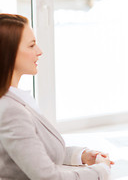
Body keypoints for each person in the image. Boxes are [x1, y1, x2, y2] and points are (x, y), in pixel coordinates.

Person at [0, 14, 113, 179]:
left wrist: (80, 155)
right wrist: (101, 171)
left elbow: (35, 152)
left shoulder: (15, 100)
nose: (39, 51)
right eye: (31, 45)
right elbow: (48, 177)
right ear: (9, 53)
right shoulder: (10, 110)